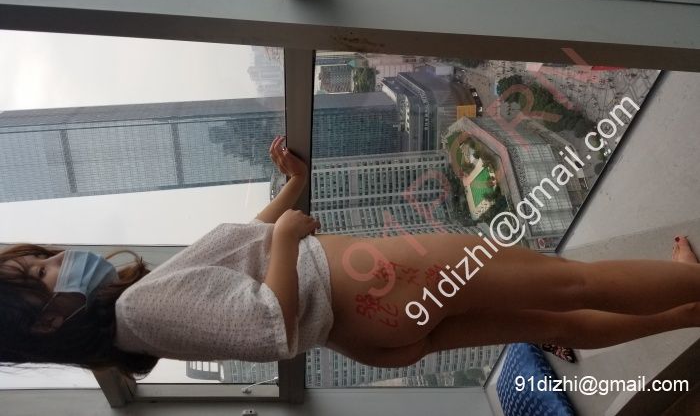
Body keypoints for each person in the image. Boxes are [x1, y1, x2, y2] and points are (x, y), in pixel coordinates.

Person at [1, 135, 698, 380]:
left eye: (40, 256)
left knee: (559, 321)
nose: (56, 256)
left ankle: (685, 306)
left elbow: (238, 256)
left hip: (370, 326)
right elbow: (267, 325)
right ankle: (686, 284)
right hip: (377, 286)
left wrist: (290, 192)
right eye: (39, 271)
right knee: (570, 282)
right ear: (47, 321)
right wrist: (286, 237)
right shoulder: (141, 307)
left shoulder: (137, 317)